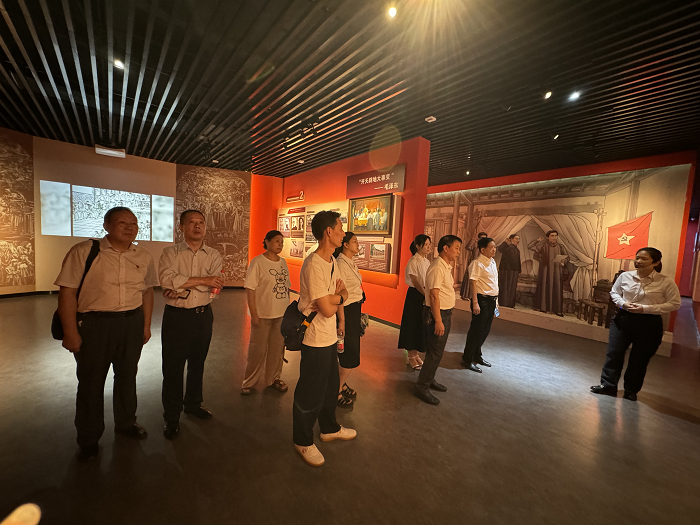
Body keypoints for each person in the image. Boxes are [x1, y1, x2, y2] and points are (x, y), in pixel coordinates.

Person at [55, 207, 158, 461]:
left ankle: (126, 422)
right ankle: (88, 437)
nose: (130, 227)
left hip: (131, 323)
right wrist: (70, 332)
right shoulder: (84, 251)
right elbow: (67, 293)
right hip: (95, 325)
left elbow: (147, 292)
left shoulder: (144, 255)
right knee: (91, 382)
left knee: (127, 377)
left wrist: (145, 326)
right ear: (106, 226)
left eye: (134, 223)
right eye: (122, 222)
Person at [294, 211, 357, 466]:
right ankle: (302, 440)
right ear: (328, 232)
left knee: (331, 387)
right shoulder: (314, 265)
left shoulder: (331, 261)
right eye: (340, 228)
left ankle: (329, 428)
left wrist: (335, 302)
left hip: (329, 336)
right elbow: (329, 308)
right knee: (310, 392)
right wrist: (338, 297)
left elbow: (336, 300)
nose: (343, 233)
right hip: (315, 338)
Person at [158, 209, 223, 440]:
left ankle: (193, 404)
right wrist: (203, 281)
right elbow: (166, 280)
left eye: (201, 222)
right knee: (172, 369)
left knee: (198, 364)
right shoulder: (170, 253)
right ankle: (172, 416)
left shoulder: (214, 254)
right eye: (192, 222)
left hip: (203, 316)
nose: (197, 226)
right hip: (176, 318)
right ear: (181, 227)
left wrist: (181, 284)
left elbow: (216, 284)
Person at [590, 248, 681, 401]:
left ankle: (631, 390)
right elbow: (614, 292)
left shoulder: (665, 282)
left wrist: (646, 308)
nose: (638, 261)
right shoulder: (625, 276)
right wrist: (623, 304)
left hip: (649, 323)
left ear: (656, 262)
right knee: (614, 353)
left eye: (644, 259)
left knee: (639, 359)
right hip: (623, 319)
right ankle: (608, 386)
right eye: (637, 257)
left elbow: (675, 303)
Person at [241, 230, 291, 395]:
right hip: (263, 314)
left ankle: (273, 378)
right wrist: (254, 314)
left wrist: (288, 312)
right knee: (258, 350)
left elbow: (286, 288)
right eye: (276, 241)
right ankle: (249, 381)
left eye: (281, 242)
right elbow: (250, 289)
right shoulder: (257, 262)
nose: (280, 245)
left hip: (281, 314)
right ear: (267, 242)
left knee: (277, 350)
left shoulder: (283, 263)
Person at [415, 234, 461, 405]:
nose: (458, 252)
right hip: (437, 314)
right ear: (445, 248)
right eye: (456, 248)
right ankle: (422, 386)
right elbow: (434, 296)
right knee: (435, 352)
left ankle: (429, 378)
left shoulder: (445, 266)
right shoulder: (437, 268)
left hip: (443, 313)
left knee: (436, 351)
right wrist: (439, 320)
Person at [334, 231, 364, 408]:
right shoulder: (340, 264)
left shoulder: (350, 262)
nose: (357, 244)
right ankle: (336, 390)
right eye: (354, 241)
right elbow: (339, 294)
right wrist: (342, 321)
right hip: (346, 311)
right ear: (345, 245)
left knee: (350, 350)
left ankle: (341, 383)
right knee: (349, 352)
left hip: (354, 309)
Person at [462, 237, 499, 373]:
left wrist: (496, 303)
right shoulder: (477, 263)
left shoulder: (492, 261)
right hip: (481, 300)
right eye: (491, 247)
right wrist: (475, 303)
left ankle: (477, 355)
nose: (494, 250)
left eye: (495, 247)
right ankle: (467, 358)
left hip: (492, 300)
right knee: (476, 331)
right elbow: (473, 283)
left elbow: (494, 283)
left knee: (485, 330)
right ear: (482, 250)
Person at [398, 234, 432, 370]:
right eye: (426, 244)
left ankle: (416, 354)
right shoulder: (413, 261)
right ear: (418, 246)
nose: (428, 247)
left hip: (424, 294)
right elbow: (415, 281)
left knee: (420, 325)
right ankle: (411, 356)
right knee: (412, 325)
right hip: (415, 295)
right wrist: (425, 294)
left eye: (429, 244)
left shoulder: (426, 262)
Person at [528, 230, 569, 316]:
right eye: (552, 236)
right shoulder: (543, 246)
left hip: (557, 271)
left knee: (556, 289)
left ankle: (556, 309)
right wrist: (537, 240)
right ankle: (543, 307)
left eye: (555, 236)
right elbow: (530, 246)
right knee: (544, 287)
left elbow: (567, 258)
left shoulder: (561, 247)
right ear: (548, 237)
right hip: (545, 271)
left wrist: (564, 260)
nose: (554, 237)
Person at [460, 231, 488, 300]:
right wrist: (472, 240)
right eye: (481, 238)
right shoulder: (475, 244)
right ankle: (466, 295)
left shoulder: (486, 246)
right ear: (478, 238)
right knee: (470, 279)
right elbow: (467, 247)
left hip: (482, 265)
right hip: (473, 263)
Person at [498, 234, 521, 308]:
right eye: (516, 238)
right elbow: (500, 249)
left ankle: (510, 303)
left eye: (518, 239)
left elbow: (518, 261)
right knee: (505, 287)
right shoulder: (507, 247)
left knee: (512, 288)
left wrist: (519, 270)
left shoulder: (517, 249)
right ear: (511, 239)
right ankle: (503, 302)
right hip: (506, 271)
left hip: (514, 271)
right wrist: (505, 242)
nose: (518, 240)